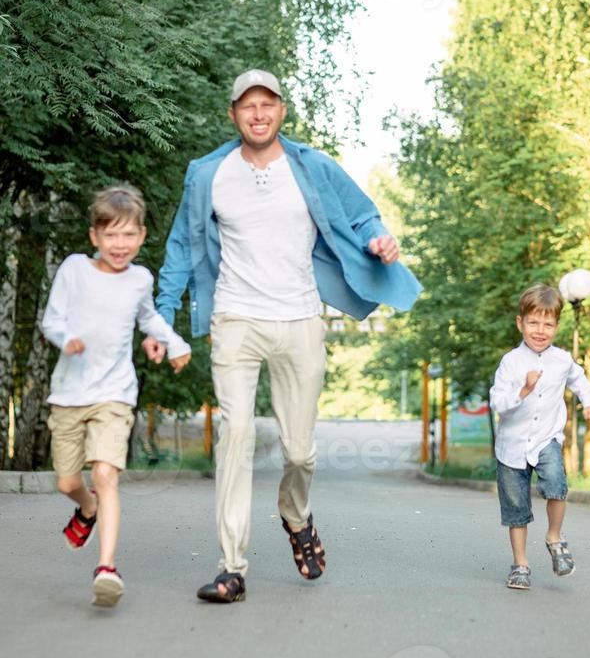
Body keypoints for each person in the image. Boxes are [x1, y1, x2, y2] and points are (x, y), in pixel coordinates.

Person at [143, 68, 422, 603]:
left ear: (281, 111)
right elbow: (180, 246)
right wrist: (163, 318)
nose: (258, 114)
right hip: (235, 319)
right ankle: (231, 566)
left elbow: (363, 216)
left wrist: (380, 240)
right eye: (247, 106)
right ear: (233, 114)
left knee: (299, 452)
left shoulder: (311, 166)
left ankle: (296, 514)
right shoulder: (208, 174)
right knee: (236, 438)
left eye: (267, 104)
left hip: (298, 319)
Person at [42, 185, 191, 608]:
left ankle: (106, 567)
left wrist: (175, 344)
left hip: (115, 393)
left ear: (142, 236)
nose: (120, 244)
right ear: (95, 237)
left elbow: (149, 319)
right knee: (68, 480)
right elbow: (52, 320)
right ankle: (85, 509)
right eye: (111, 235)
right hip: (69, 393)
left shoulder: (141, 279)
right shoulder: (74, 269)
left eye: (128, 235)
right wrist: (67, 338)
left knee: (106, 473)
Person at [490, 283, 590, 590]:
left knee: (556, 484)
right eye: (533, 322)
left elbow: (580, 380)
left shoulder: (562, 360)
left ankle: (554, 537)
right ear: (520, 322)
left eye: (548, 324)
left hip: (546, 439)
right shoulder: (511, 362)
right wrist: (522, 391)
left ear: (556, 326)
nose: (540, 330)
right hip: (511, 447)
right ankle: (520, 565)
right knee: (516, 509)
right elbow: (497, 402)